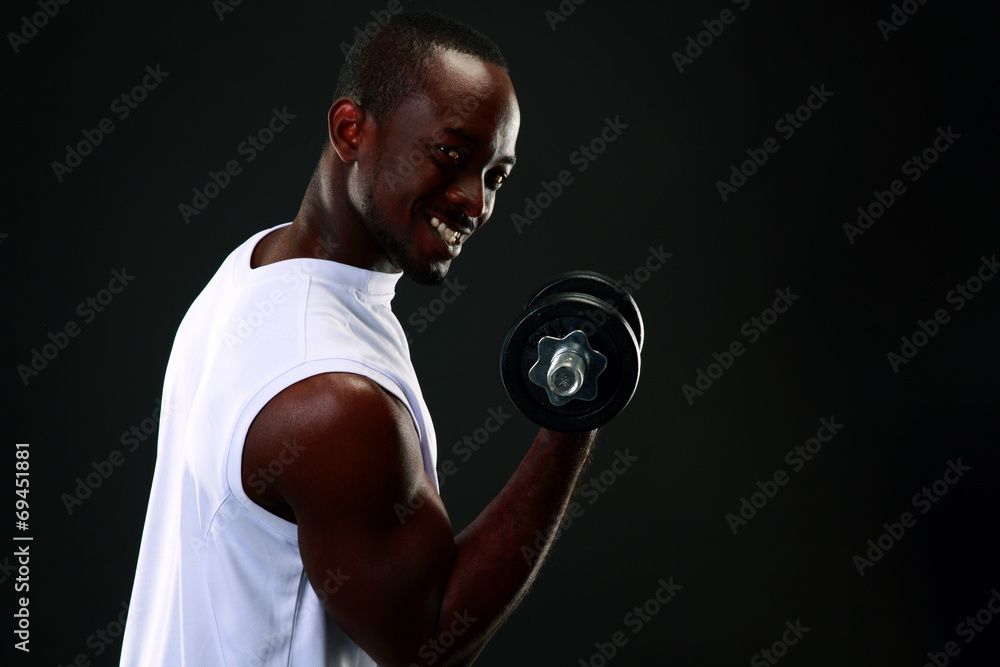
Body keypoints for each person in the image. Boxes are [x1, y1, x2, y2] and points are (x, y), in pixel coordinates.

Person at [121, 11, 599, 667]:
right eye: (452, 155)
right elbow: (426, 642)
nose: (475, 201)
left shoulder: (252, 270)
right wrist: (571, 423)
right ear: (351, 131)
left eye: (496, 176)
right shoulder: (337, 399)